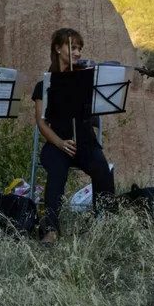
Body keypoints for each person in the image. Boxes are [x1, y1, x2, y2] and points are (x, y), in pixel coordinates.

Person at [33, 28, 115, 247]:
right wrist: (59, 142)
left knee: (102, 169)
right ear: (58, 48)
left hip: (85, 142)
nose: (77, 52)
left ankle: (104, 225)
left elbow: (97, 111)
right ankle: (50, 230)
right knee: (57, 172)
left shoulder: (87, 81)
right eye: (72, 47)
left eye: (79, 48)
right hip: (57, 144)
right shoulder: (44, 85)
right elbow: (41, 122)